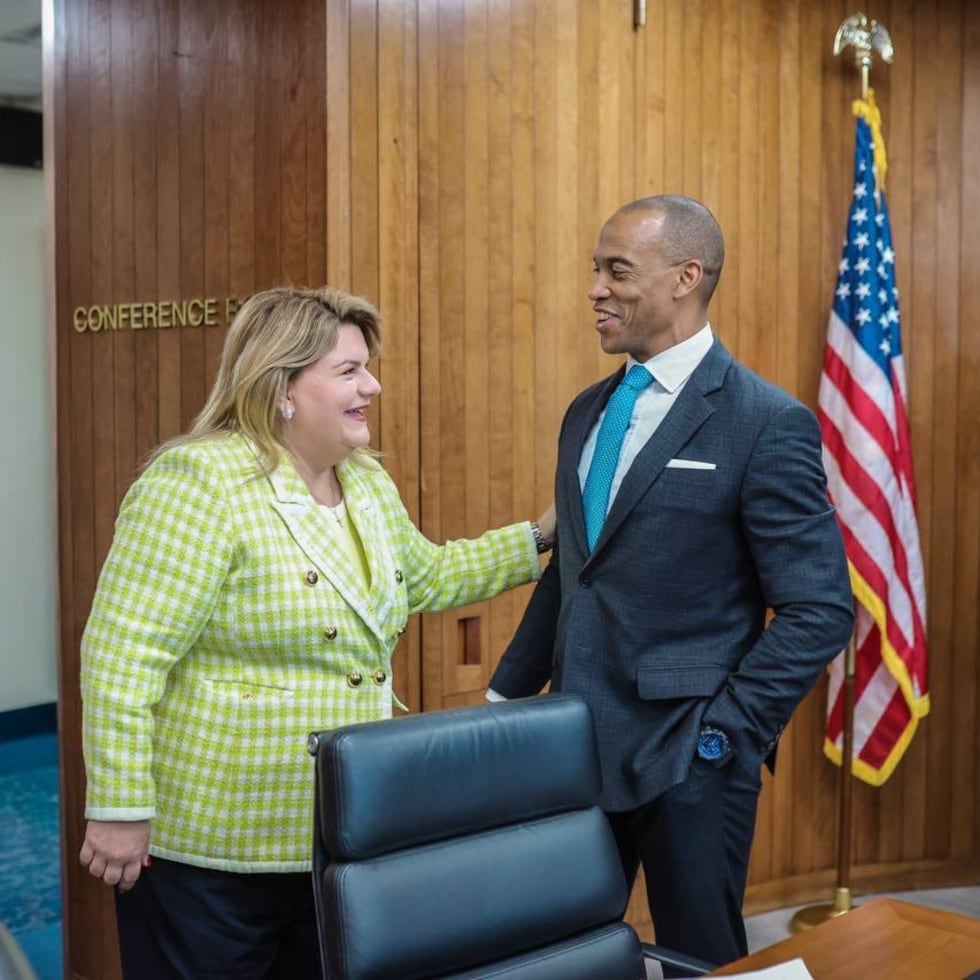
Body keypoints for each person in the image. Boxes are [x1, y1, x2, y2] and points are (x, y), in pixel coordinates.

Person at [79, 284, 555, 978]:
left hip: (332, 830)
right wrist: (119, 807)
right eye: (349, 371)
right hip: (217, 842)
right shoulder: (199, 481)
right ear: (281, 388)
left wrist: (541, 539)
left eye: (367, 367)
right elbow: (123, 654)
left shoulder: (360, 480)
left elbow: (425, 577)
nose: (374, 384)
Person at [489, 195, 853, 973]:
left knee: (703, 963)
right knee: (562, 958)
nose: (594, 289)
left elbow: (819, 608)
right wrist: (502, 702)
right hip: (571, 749)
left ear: (686, 277)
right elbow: (574, 577)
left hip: (689, 760)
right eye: (594, 269)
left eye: (617, 271)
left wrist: (724, 736)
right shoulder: (586, 413)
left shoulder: (764, 422)